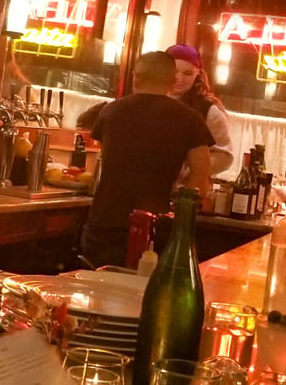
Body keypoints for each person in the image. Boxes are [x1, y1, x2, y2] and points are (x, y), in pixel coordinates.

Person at [82, 52, 217, 266]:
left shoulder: (111, 111)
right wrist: (177, 206)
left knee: (96, 290)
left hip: (103, 223)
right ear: (173, 83)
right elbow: (200, 179)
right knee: (142, 292)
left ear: (136, 77)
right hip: (154, 226)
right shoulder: (189, 119)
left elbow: (104, 160)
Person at [167, 44, 236, 174]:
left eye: (188, 73)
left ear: (197, 74)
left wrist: (190, 170)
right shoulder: (148, 100)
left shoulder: (209, 110)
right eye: (175, 71)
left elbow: (225, 156)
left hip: (186, 189)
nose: (179, 78)